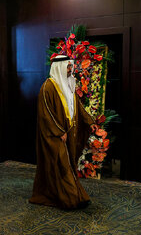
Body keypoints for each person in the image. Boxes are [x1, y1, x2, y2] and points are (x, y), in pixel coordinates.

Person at [29, 55, 98, 209]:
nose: (70, 70)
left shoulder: (68, 84)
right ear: (59, 67)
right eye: (68, 67)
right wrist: (59, 131)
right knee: (61, 165)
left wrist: (89, 121)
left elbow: (77, 107)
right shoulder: (48, 87)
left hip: (68, 133)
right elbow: (46, 113)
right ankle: (71, 198)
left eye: (70, 67)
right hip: (54, 136)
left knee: (68, 164)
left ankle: (71, 195)